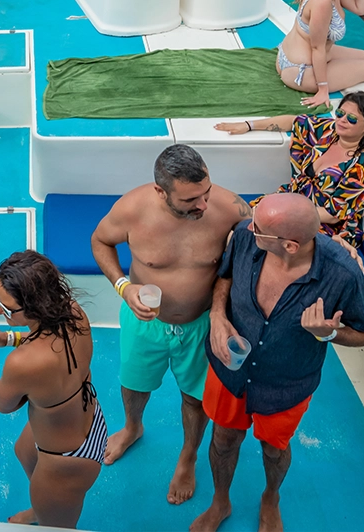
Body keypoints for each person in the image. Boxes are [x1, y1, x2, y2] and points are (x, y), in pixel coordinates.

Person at [192, 193, 364, 532]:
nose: (248, 227)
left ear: (290, 245)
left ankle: (271, 498)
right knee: (223, 438)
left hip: (287, 383)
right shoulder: (246, 238)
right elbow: (225, 277)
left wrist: (328, 333)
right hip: (230, 371)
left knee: (274, 449)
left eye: (258, 227)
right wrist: (217, 316)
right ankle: (220, 501)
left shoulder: (343, 274)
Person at [89, 145, 250, 504]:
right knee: (134, 385)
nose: (203, 205)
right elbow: (99, 241)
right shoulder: (131, 210)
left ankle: (188, 455)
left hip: (200, 325)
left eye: (207, 192)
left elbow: (270, 242)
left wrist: (332, 247)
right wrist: (123, 287)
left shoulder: (230, 208)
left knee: (195, 398)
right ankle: (133, 427)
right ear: (161, 191)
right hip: (144, 323)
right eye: (191, 199)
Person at [0, 251, 105, 528]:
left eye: (7, 309)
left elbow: (5, 405)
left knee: (57, 527)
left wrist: (21, 378)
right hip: (91, 421)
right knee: (24, 450)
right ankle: (45, 508)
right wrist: (8, 337)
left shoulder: (21, 364)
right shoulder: (73, 312)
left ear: (35, 307)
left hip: (67, 461)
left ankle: (49, 511)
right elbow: (44, 339)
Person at [215, 91, 364, 247]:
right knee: (243, 217)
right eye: (340, 113)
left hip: (330, 226)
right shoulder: (331, 132)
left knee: (264, 232)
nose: (342, 120)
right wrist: (248, 125)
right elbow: (294, 122)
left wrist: (286, 213)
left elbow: (333, 215)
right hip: (298, 198)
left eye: (352, 119)